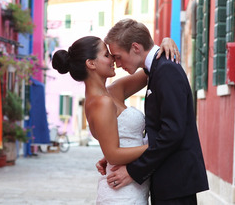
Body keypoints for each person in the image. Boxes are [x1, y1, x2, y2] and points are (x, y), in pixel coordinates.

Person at [52, 35, 179, 204]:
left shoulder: (114, 90)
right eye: (106, 55)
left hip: (133, 188)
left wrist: (164, 43)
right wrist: (157, 146)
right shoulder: (100, 103)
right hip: (121, 194)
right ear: (91, 63)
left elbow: (150, 67)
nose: (112, 58)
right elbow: (113, 155)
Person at [99, 18, 209, 205]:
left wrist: (133, 171)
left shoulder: (166, 70)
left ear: (135, 47)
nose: (117, 63)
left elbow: (172, 133)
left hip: (176, 180)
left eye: (118, 56)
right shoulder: (157, 68)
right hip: (169, 180)